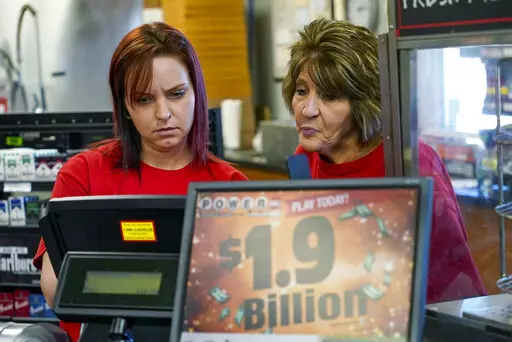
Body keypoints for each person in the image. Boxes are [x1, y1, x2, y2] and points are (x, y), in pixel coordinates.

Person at [33, 22, 247, 341]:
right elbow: (55, 288)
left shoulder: (231, 185)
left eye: (176, 94)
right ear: (126, 107)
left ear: (196, 93)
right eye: (144, 99)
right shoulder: (82, 174)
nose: (163, 113)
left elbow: (243, 299)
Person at [282, 18, 486, 303]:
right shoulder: (304, 159)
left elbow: (451, 282)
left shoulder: (410, 162)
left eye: (329, 96)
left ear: (364, 104)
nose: (307, 109)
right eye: (302, 91)